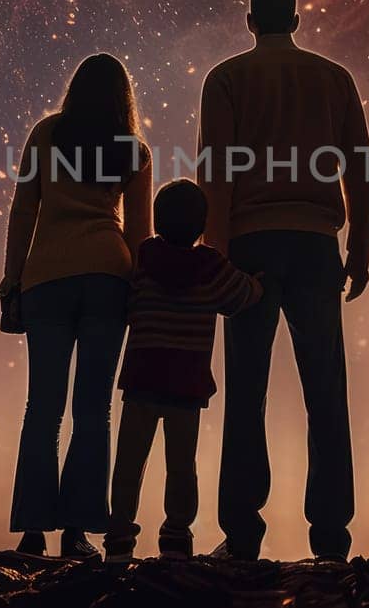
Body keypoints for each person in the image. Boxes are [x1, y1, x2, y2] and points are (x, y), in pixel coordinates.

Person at [198, 0, 369, 561]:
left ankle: (242, 532)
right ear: (296, 21)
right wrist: (361, 250)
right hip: (318, 244)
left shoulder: (225, 78)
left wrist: (215, 255)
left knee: (245, 391)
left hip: (249, 246)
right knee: (326, 390)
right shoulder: (334, 78)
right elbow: (360, 171)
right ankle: (330, 536)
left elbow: (215, 171)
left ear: (250, 21)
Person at [1, 53, 153, 559]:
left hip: (46, 278)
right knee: (94, 410)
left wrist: (12, 280)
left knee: (41, 408)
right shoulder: (134, 151)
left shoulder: (46, 135)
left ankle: (32, 531)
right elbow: (138, 234)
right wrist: (140, 293)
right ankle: (78, 532)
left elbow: (25, 208)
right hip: (108, 277)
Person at [103, 179, 276, 564]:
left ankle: (118, 537)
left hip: (143, 378)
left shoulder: (145, 257)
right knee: (182, 468)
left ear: (158, 221)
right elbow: (239, 297)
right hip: (187, 382)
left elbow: (128, 304)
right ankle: (176, 536)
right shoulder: (210, 265)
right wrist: (259, 287)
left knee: (129, 464)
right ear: (202, 225)